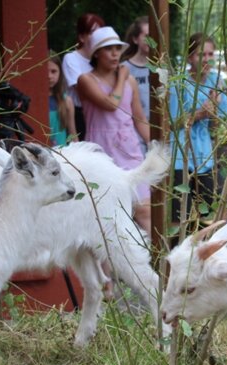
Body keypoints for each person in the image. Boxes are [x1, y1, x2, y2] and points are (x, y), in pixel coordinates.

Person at [76, 26, 152, 234]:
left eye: (118, 48)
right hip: (102, 153)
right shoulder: (86, 80)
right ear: (96, 53)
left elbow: (139, 118)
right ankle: (107, 267)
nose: (115, 53)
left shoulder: (130, 81)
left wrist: (155, 147)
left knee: (144, 210)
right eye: (108, 49)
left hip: (129, 150)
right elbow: (111, 104)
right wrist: (121, 78)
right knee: (106, 218)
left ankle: (157, 264)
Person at [168, 32, 227, 223]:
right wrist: (199, 114)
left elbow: (216, 128)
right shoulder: (179, 83)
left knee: (214, 213)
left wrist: (214, 113)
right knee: (180, 217)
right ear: (189, 57)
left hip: (205, 156)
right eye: (201, 54)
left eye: (211, 55)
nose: (207, 59)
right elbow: (172, 124)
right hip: (180, 156)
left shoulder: (217, 81)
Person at [62, 13, 104, 141]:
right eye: (93, 32)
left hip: (101, 111)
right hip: (79, 114)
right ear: (81, 37)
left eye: (101, 32)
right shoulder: (71, 59)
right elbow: (82, 90)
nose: (98, 37)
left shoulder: (104, 59)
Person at [121, 16, 151, 122]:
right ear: (135, 39)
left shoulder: (163, 68)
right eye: (147, 36)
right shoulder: (124, 68)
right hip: (132, 129)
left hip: (159, 128)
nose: (151, 40)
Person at [47, 52, 77, 146]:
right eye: (45, 71)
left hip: (62, 154)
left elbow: (72, 134)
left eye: (53, 71)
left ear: (60, 72)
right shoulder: (34, 101)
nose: (49, 76)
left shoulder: (67, 101)